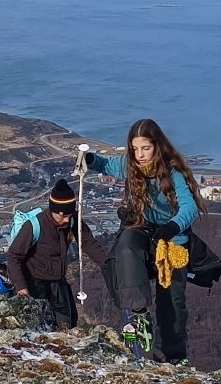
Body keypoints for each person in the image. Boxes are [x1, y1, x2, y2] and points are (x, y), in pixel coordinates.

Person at [84, 118, 206, 364]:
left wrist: (172, 226)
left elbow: (190, 207)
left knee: (172, 303)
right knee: (126, 248)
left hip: (172, 237)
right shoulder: (130, 166)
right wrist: (89, 161)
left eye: (145, 148)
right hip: (143, 228)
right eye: (135, 148)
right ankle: (139, 314)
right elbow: (106, 164)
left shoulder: (172, 172)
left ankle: (172, 357)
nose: (139, 155)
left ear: (157, 146)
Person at [3, 178, 108, 330]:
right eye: (62, 216)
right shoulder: (34, 226)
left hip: (57, 282)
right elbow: (13, 255)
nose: (66, 220)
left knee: (68, 324)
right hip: (34, 283)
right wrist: (21, 287)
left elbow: (88, 243)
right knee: (36, 327)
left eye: (69, 215)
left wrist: (107, 263)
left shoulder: (73, 220)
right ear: (52, 210)